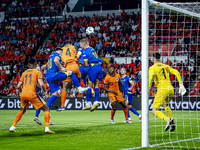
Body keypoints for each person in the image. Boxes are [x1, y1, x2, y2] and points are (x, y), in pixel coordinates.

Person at [9, 59, 54, 133]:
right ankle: (47, 129)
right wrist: (45, 91)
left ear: (29, 64)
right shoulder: (37, 72)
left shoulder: (24, 73)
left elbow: (18, 86)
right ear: (36, 64)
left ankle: (12, 127)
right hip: (32, 94)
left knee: (22, 110)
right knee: (46, 109)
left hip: (23, 94)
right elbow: (42, 84)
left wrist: (21, 92)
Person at [149, 52, 186, 132]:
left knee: (154, 111)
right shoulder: (165, 66)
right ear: (160, 58)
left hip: (162, 90)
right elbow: (177, 72)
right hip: (170, 90)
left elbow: (151, 78)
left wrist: (148, 88)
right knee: (165, 104)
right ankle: (172, 122)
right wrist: (181, 85)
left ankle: (168, 119)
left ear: (152, 58)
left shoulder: (152, 68)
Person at [57, 41, 88, 111]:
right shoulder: (72, 47)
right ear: (70, 44)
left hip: (67, 67)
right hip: (75, 65)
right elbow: (76, 56)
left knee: (64, 87)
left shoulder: (61, 49)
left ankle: (62, 106)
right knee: (79, 80)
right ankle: (87, 100)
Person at [80, 38, 103, 111]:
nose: (80, 46)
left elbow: (86, 64)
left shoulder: (85, 51)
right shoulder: (92, 49)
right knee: (96, 85)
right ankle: (96, 101)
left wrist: (80, 63)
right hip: (99, 67)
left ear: (84, 43)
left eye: (80, 44)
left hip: (93, 68)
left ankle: (88, 103)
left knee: (89, 86)